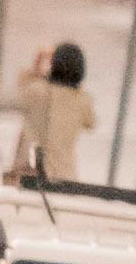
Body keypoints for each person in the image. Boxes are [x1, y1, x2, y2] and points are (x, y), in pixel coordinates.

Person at [11, 40, 96, 183]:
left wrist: (37, 64)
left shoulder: (37, 91)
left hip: (34, 177)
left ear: (53, 64)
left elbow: (16, 95)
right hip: (67, 176)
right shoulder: (82, 99)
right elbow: (90, 123)